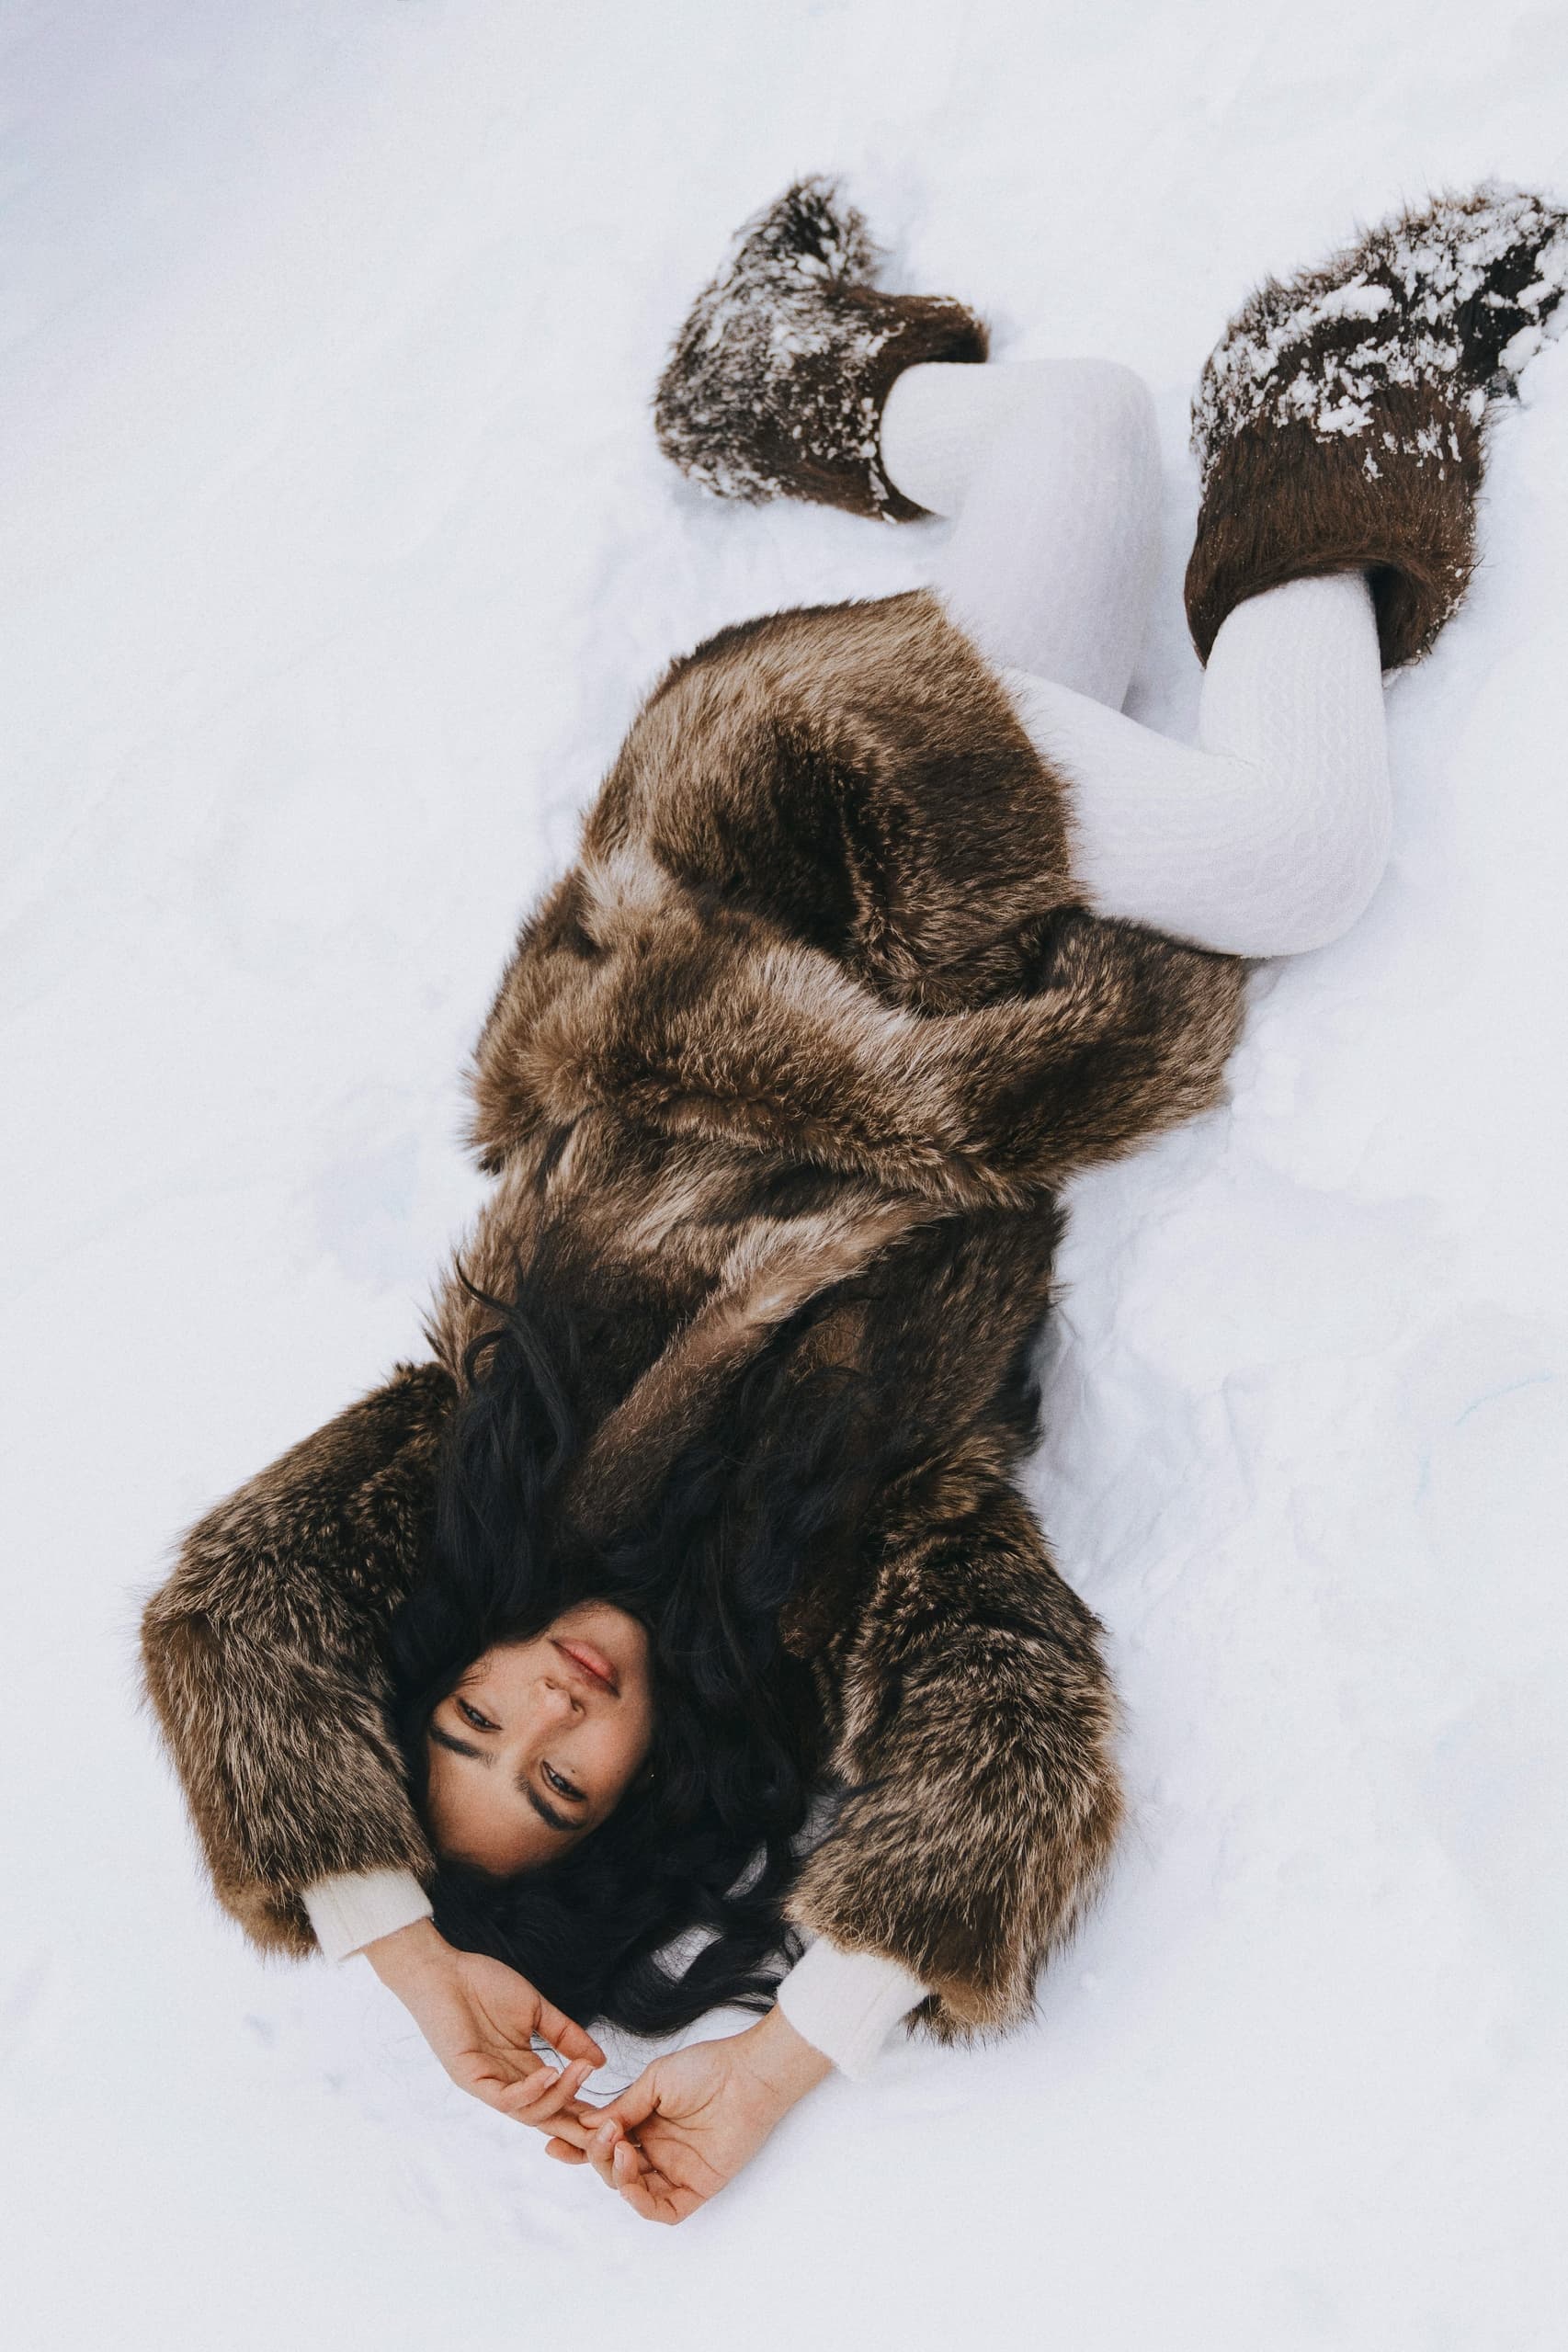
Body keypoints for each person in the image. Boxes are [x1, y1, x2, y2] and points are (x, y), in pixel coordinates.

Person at [141, 179, 1567, 2223]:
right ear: (643, 1806)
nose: (548, 1699)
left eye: (470, 1702)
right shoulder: (845, 1577)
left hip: (756, 851)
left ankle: (1333, 384)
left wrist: (392, 1937)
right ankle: (765, 371)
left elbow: (236, 1615)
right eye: (556, 1777)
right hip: (974, 954)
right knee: (1073, 433)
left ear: (445, 1640)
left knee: (1287, 860)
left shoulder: (480, 1432)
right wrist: (789, 2047)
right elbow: (1009, 1747)